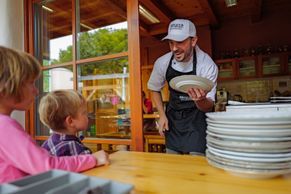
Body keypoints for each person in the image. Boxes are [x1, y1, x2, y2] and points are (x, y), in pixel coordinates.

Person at [0, 46, 109, 183]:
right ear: (6, 87)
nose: (36, 91)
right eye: (31, 83)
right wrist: (93, 159)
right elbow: (48, 167)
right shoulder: (4, 126)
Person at [147, 19, 218, 155]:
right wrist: (161, 115)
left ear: (193, 40)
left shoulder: (206, 65)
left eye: (180, 42)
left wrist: (200, 100)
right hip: (173, 119)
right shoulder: (162, 62)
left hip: (197, 120)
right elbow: (154, 88)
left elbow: (208, 106)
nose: (174, 48)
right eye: (171, 43)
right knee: (172, 165)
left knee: (196, 163)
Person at [39, 89, 92, 156]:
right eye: (84, 113)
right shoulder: (74, 148)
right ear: (70, 121)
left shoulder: (48, 143)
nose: (88, 115)